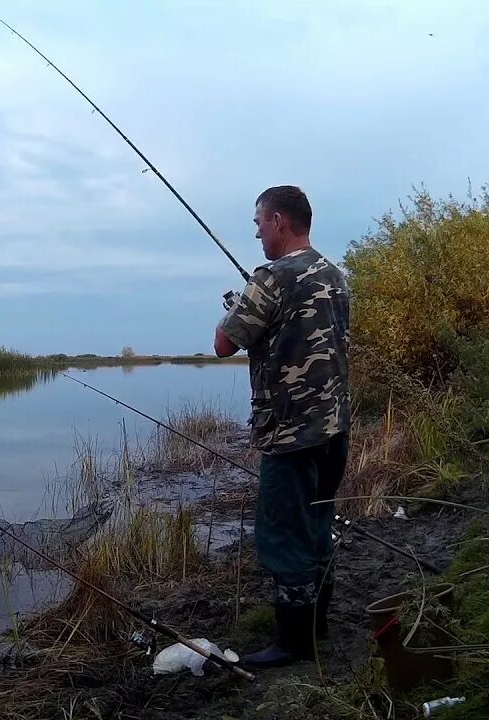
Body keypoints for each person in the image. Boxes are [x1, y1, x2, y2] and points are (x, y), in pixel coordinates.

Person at [214, 185, 351, 668]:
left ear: (278, 221)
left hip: (291, 432)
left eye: (258, 224)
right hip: (335, 427)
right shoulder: (335, 275)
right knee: (318, 524)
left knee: (282, 534)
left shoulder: (271, 276)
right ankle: (320, 629)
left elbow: (224, 343)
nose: (256, 233)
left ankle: (292, 644)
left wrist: (236, 304)